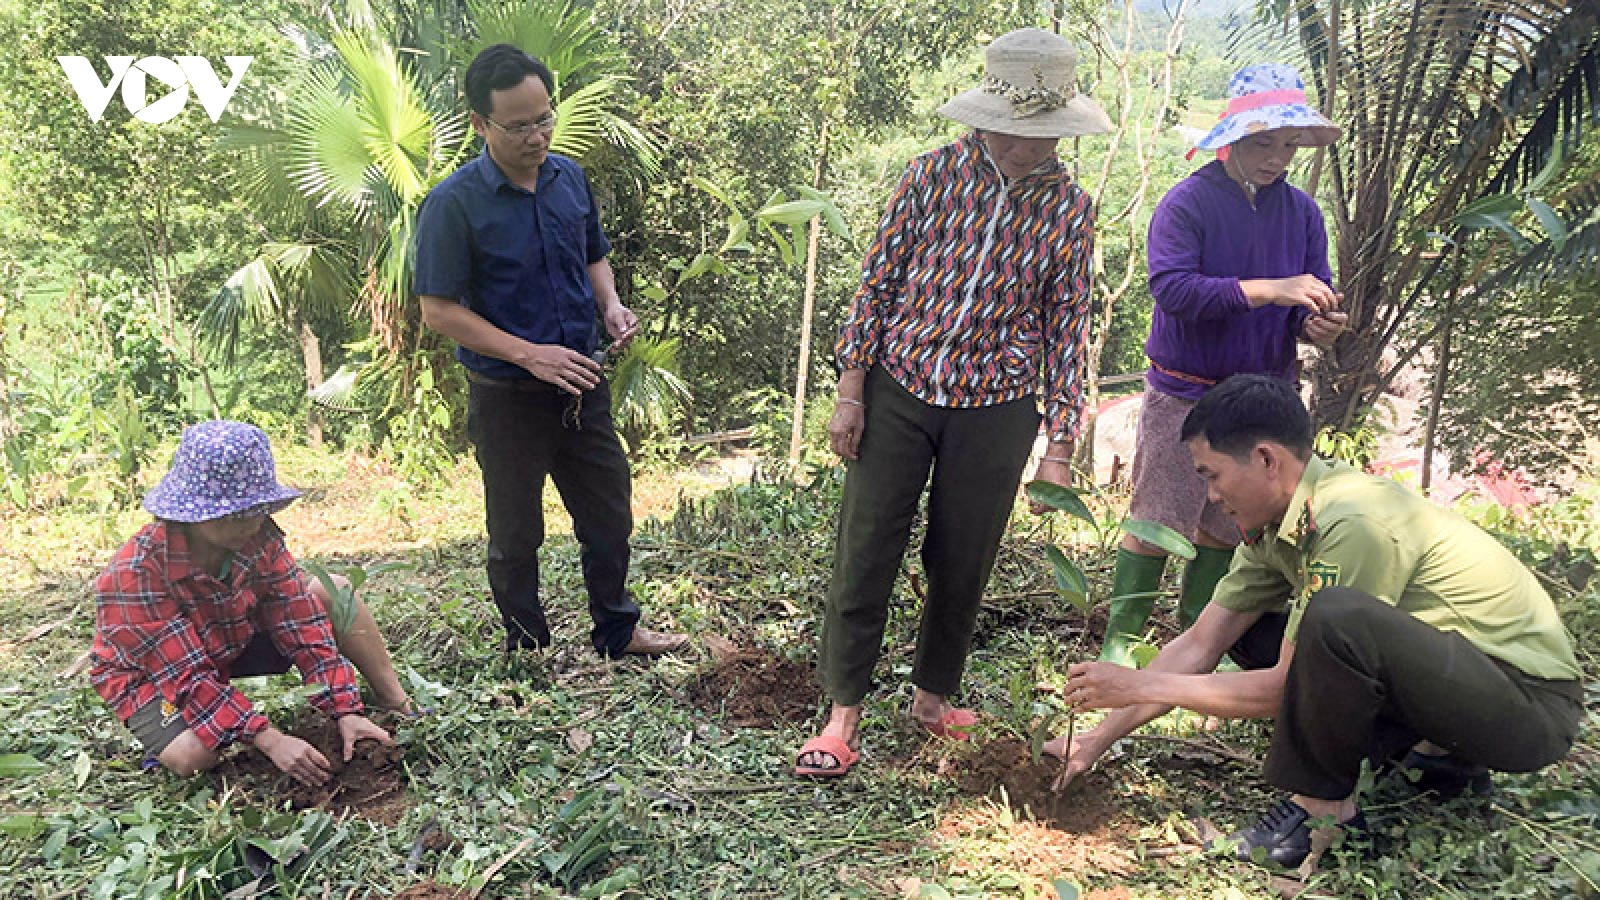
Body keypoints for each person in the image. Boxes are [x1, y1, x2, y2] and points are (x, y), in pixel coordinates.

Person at [1046, 375, 1583, 868]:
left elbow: (1286, 688)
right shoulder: (1275, 525)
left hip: (1528, 710)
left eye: (1213, 476)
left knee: (1333, 621)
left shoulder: (1353, 521)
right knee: (1259, 633)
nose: (1210, 496)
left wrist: (1142, 682)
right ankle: (1439, 762)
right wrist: (1095, 739)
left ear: (1265, 459)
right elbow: (1203, 641)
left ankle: (1323, 813)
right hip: (1463, 690)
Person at [794, 27, 1112, 777]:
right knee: (867, 546)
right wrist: (850, 390)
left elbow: (1066, 326)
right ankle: (843, 713)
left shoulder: (1070, 210)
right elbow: (878, 283)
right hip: (899, 386)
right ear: (984, 117)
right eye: (1010, 133)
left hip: (998, 405)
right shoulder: (930, 176)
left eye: (1039, 137)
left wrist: (1060, 445)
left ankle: (933, 697)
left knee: (963, 556)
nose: (1022, 149)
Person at [414, 43, 685, 659]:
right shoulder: (452, 204)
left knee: (609, 515)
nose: (537, 136)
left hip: (583, 381)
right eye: (519, 125)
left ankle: (617, 631)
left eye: (544, 118)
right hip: (507, 395)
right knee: (515, 532)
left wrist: (610, 304)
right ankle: (528, 645)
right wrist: (529, 354)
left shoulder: (569, 179)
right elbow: (439, 310)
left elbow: (593, 254)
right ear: (480, 123)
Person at [1100, 63, 1350, 665]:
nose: (1276, 157)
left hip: (1263, 396)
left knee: (1228, 522)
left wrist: (1315, 320)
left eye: (1287, 144)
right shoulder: (1187, 203)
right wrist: (1272, 289)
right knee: (1157, 513)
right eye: (1263, 143)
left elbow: (1308, 296)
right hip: (1185, 391)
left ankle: (1197, 643)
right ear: (1231, 139)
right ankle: (1121, 641)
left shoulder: (1302, 213)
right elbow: (1175, 291)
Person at [91, 421, 410, 786]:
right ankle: (163, 735)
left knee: (333, 591)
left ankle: (398, 701)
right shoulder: (136, 574)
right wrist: (268, 738)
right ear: (194, 515)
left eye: (256, 509)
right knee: (194, 755)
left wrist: (344, 709)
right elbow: (188, 678)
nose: (250, 523)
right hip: (153, 673)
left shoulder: (260, 537)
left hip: (228, 640)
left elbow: (301, 624)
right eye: (234, 515)